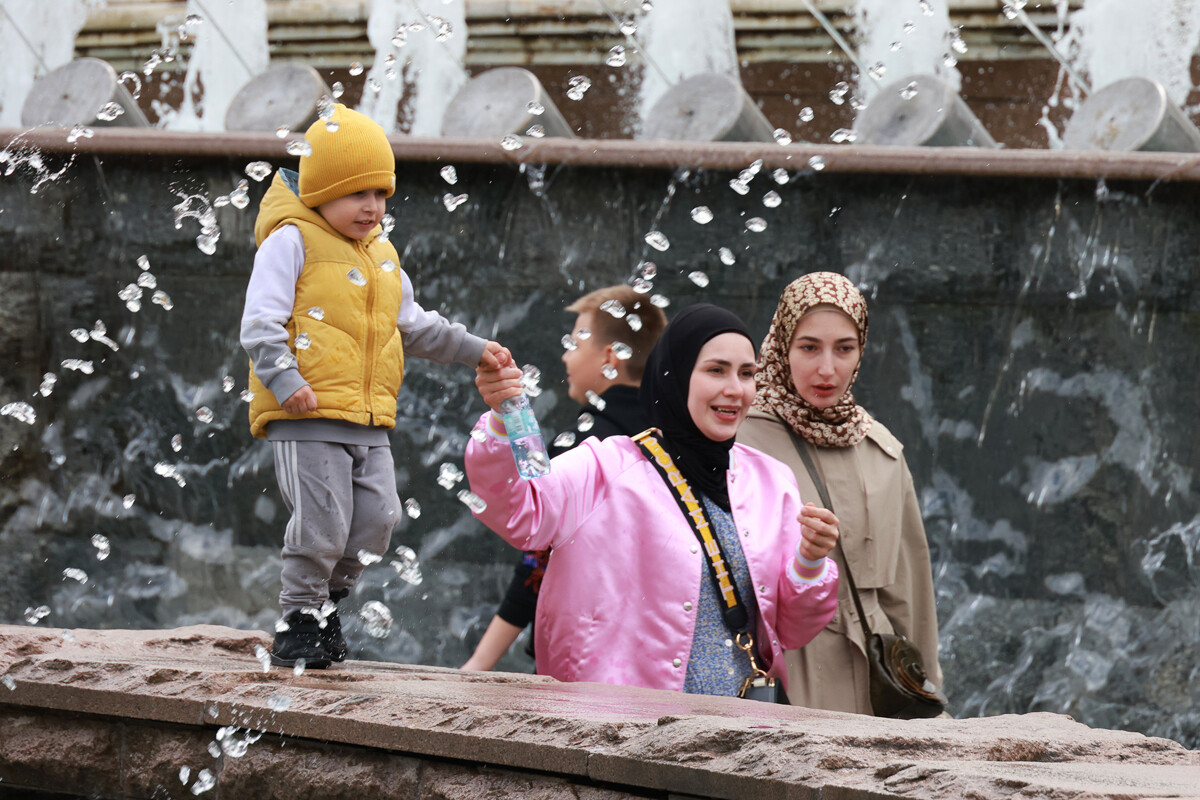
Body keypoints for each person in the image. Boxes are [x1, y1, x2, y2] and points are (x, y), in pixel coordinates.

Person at [240, 103, 507, 669]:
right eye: (358, 193)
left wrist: (473, 349)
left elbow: (414, 325)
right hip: (305, 414)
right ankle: (297, 622)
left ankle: (325, 609)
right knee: (321, 526)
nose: (373, 207)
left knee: (377, 522)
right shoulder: (290, 241)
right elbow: (259, 323)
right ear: (320, 189)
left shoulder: (382, 257)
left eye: (381, 194)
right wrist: (285, 378)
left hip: (367, 418)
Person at [464, 304, 839, 694]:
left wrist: (810, 561)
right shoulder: (606, 466)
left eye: (747, 374)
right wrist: (506, 414)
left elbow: (792, 631)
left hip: (740, 736)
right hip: (620, 733)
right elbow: (521, 510)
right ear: (675, 375)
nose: (735, 389)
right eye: (716, 370)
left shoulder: (771, 481)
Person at [736, 272, 943, 712]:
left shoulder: (880, 450)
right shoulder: (739, 441)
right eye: (809, 347)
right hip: (780, 675)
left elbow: (909, 593)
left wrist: (927, 689)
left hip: (874, 680)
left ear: (861, 351)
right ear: (782, 346)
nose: (827, 369)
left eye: (844, 349)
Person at [461, 285, 667, 672]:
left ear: (611, 357)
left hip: (584, 666)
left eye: (575, 343)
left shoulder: (586, 448)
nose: (564, 355)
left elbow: (537, 559)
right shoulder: (675, 437)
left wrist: (479, 662)